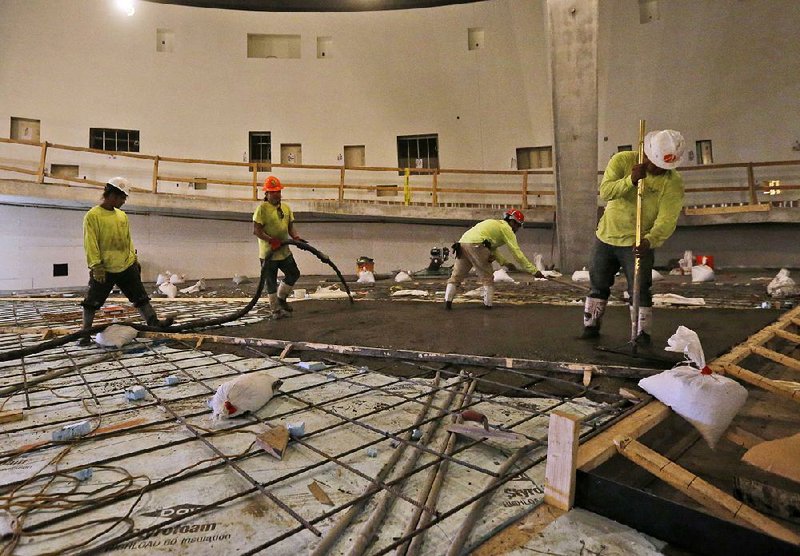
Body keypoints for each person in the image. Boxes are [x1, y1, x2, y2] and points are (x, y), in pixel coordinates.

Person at [581, 129, 686, 344]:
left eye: (663, 167)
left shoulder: (672, 182)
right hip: (606, 236)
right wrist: (630, 180)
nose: (657, 169)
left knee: (639, 289)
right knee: (598, 285)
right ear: (646, 153)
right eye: (654, 163)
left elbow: (667, 218)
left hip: (639, 242)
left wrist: (650, 240)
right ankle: (590, 326)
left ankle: (642, 334)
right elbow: (606, 193)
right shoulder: (622, 161)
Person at [80, 177, 174, 345]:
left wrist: (134, 259)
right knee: (91, 302)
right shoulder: (92, 216)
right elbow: (90, 242)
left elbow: (128, 240)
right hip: (104, 268)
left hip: (126, 266)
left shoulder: (122, 216)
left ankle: (154, 324)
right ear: (112, 195)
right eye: (122, 197)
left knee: (140, 298)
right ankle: (85, 333)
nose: (124, 201)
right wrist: (96, 266)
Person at [445, 209, 543, 309]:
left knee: (456, 277)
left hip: (462, 244)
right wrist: (534, 271)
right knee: (487, 278)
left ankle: (447, 303)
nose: (517, 229)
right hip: (477, 245)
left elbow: (492, 248)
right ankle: (488, 306)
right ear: (512, 221)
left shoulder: (495, 225)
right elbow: (517, 253)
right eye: (517, 225)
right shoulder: (506, 229)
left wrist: (505, 263)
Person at [252, 175, 304, 318]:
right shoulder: (262, 209)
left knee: (294, 273)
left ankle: (281, 299)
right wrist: (270, 240)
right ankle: (275, 310)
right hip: (268, 253)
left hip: (283, 250)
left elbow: (290, 227)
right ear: (266, 194)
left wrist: (296, 238)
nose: (276, 194)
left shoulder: (286, 208)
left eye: (278, 192)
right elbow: (257, 230)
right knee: (271, 281)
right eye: (273, 192)